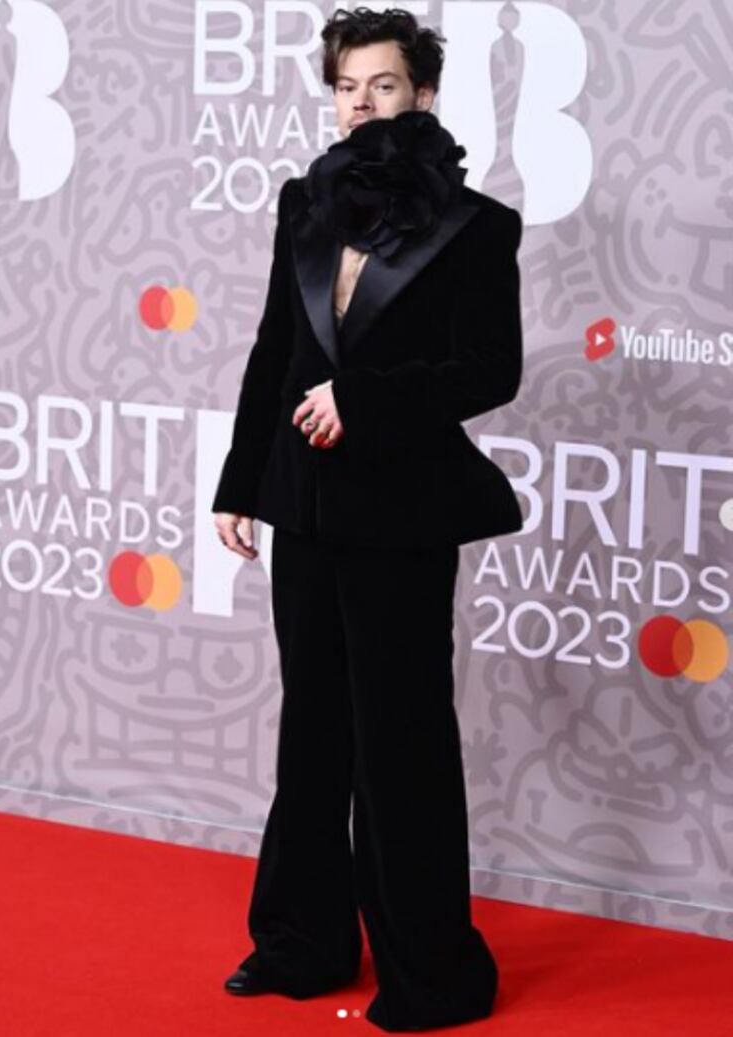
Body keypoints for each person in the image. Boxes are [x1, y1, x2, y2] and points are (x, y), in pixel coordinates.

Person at [211, 7, 524, 1032]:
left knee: (400, 738)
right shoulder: (303, 202)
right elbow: (276, 348)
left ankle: (431, 971)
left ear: (422, 94)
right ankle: (300, 943)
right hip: (301, 505)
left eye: (381, 85)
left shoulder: (477, 226)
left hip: (401, 513)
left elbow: (491, 369)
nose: (361, 105)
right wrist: (239, 483)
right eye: (346, 87)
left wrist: (368, 399)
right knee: (311, 727)